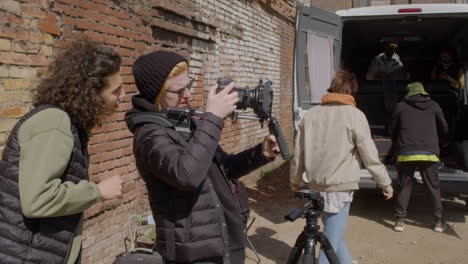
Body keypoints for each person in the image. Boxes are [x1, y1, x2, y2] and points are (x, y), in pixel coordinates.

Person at [125, 50, 280, 264]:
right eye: (179, 90)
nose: (188, 94)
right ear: (156, 93)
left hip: (220, 242)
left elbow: (223, 167)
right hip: (194, 254)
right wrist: (213, 118)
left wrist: (260, 153)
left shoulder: (182, 122)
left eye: (188, 85)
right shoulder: (150, 135)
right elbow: (187, 175)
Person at [0, 39, 125, 264]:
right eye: (116, 90)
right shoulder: (54, 122)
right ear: (91, 94)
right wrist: (97, 191)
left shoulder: (69, 124)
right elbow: (38, 200)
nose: (123, 96)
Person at [290, 70, 393, 264]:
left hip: (315, 185)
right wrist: (385, 183)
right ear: (352, 91)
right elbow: (370, 155)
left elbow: (299, 154)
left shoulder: (311, 115)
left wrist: (295, 180)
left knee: (333, 234)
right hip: (340, 186)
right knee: (332, 238)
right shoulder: (355, 115)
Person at [389, 82, 448, 233]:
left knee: (405, 186)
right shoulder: (434, 105)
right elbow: (445, 128)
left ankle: (399, 221)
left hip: (406, 152)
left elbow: (392, 129)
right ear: (423, 92)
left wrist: (397, 140)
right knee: (433, 187)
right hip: (429, 154)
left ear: (409, 93)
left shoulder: (400, 106)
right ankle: (439, 222)